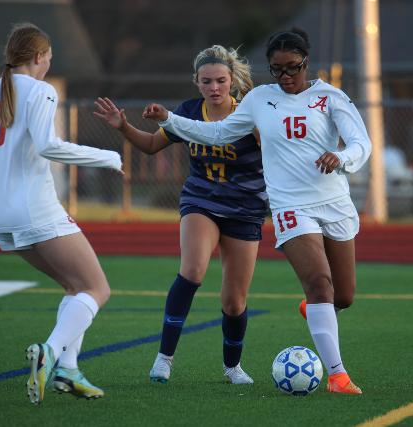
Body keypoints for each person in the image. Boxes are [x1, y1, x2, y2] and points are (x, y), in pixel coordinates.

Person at [142, 28, 371, 395]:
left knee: (342, 296)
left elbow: (362, 143)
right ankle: (338, 375)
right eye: (277, 69)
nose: (285, 77)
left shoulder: (330, 97)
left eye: (292, 68)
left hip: (333, 202)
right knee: (318, 283)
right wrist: (170, 119)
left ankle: (316, 308)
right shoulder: (260, 100)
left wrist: (341, 157)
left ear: (305, 63)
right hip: (289, 206)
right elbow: (216, 134)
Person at [0, 23, 124, 404]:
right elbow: (48, 146)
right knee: (98, 289)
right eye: (49, 59)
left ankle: (68, 372)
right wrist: (108, 156)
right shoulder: (42, 90)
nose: (48, 66)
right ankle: (51, 352)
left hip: (2, 219)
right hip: (36, 211)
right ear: (39, 57)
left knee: (75, 289)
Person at [93, 45, 267, 384]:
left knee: (234, 302)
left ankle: (232, 367)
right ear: (196, 83)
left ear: (232, 81)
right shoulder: (188, 111)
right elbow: (151, 145)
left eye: (220, 80)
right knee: (192, 270)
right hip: (201, 199)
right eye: (206, 81)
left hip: (246, 208)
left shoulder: (249, 113)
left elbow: (277, 150)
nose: (214, 88)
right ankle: (163, 359)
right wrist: (122, 126)